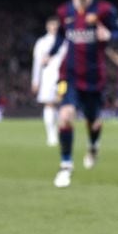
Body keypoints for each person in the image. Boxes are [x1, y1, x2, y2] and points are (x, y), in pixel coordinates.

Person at [48, 0, 118, 188]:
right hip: (69, 76)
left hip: (95, 79)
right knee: (65, 116)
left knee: (93, 123)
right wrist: (50, 54)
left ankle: (93, 146)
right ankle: (66, 166)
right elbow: (60, 39)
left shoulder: (105, 10)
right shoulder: (64, 12)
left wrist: (110, 34)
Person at [31, 16, 67, 146]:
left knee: (63, 106)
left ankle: (60, 132)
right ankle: (51, 135)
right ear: (47, 26)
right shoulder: (41, 42)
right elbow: (37, 63)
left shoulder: (65, 42)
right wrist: (35, 80)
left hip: (63, 77)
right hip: (47, 77)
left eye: (56, 25)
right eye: (51, 25)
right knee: (49, 104)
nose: (54, 28)